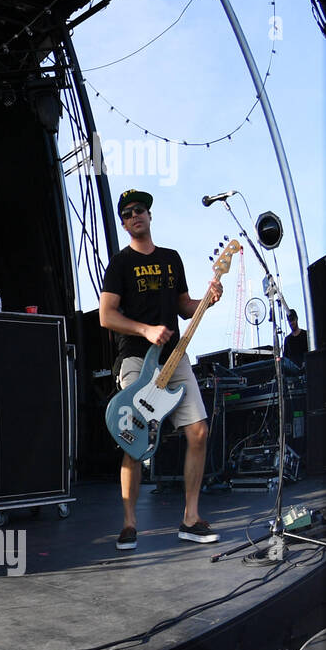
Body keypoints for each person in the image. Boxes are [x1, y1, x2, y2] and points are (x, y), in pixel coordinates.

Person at [99, 189, 222, 550]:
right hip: (137, 358)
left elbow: (185, 307)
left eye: (139, 210)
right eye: (127, 214)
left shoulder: (171, 259)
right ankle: (129, 523)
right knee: (134, 441)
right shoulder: (120, 264)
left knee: (198, 431)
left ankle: (190, 517)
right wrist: (145, 329)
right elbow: (107, 316)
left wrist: (207, 301)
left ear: (150, 215)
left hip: (175, 357)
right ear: (124, 224)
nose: (134, 216)